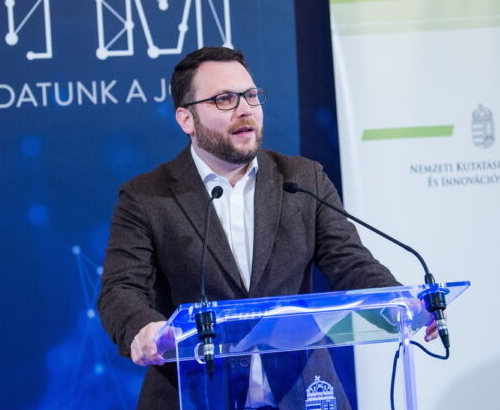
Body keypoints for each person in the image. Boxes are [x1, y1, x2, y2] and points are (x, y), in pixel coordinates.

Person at [98, 47, 438, 409]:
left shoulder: (302, 179)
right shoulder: (147, 196)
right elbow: (121, 289)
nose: (245, 109)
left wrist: (400, 301)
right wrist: (145, 329)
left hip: (302, 392)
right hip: (196, 393)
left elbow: (350, 262)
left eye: (250, 95)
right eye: (224, 99)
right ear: (186, 119)